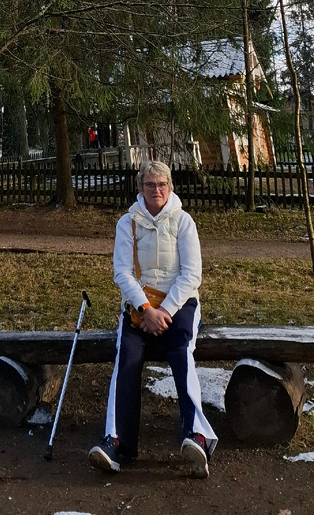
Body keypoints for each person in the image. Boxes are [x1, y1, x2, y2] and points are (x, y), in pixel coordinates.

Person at [88, 159, 217, 479]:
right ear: (140, 188)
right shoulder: (127, 223)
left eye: (162, 184)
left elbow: (192, 274)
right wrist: (147, 310)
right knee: (127, 357)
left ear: (169, 187)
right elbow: (122, 272)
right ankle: (116, 441)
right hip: (140, 308)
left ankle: (197, 436)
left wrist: (165, 312)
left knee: (181, 352)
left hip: (180, 305)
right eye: (150, 184)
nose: (156, 190)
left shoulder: (184, 221)